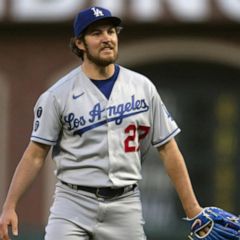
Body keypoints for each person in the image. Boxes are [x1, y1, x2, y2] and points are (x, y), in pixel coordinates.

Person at [0, 6, 203, 240]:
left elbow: (168, 149)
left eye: (111, 31)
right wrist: (10, 205)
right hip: (73, 203)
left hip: (124, 205)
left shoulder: (142, 87)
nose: (107, 38)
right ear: (80, 43)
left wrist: (192, 209)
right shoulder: (58, 94)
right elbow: (35, 154)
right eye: (96, 33)